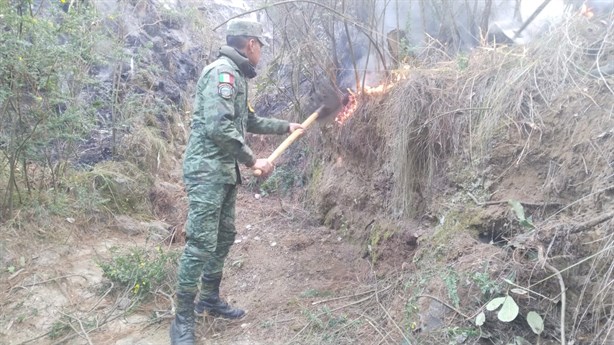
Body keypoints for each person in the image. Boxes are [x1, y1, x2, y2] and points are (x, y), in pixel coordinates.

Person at [170, 18, 304, 344]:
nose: (261, 53)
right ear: (251, 44)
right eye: (261, 47)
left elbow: (250, 120)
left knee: (224, 236)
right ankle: (182, 319)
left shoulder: (238, 77)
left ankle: (209, 299)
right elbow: (219, 127)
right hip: (207, 171)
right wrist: (252, 159)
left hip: (224, 172)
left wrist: (286, 127)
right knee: (201, 243)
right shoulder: (223, 73)